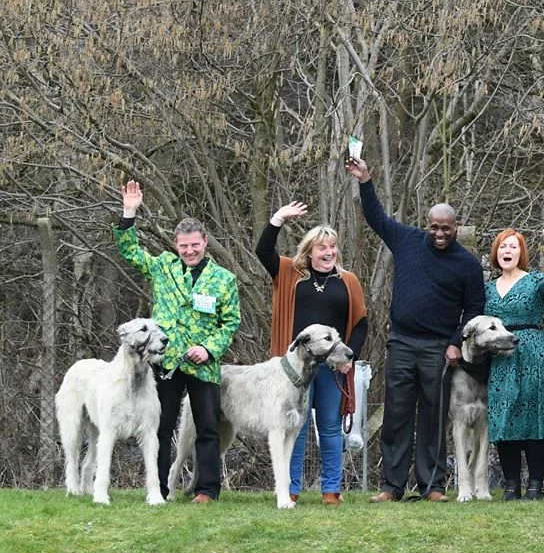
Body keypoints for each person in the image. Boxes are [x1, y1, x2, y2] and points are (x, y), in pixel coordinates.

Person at [345, 155, 485, 502]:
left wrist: (456, 343)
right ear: (427, 224)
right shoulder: (406, 240)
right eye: (434, 227)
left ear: (455, 228)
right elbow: (375, 217)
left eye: (446, 228)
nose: (439, 233)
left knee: (434, 418)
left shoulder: (467, 265)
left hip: (440, 349)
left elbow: (476, 309)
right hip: (402, 343)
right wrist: (365, 180)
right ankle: (392, 487)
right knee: (396, 415)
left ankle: (433, 485)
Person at [115, 181, 242, 503]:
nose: (189, 251)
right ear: (176, 244)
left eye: (195, 245)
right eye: (183, 246)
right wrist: (129, 212)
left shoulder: (224, 280)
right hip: (166, 362)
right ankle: (157, 489)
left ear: (205, 243)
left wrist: (209, 348)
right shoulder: (162, 267)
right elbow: (129, 251)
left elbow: (230, 323)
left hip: (203, 366)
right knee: (160, 426)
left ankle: (207, 489)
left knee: (208, 428)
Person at [258, 203, 369, 504]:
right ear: (309, 252)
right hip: (294, 370)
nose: (329, 252)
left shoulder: (348, 282)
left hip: (333, 368)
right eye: (322, 247)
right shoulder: (290, 274)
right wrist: (279, 218)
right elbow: (264, 250)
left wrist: (350, 359)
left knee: (331, 426)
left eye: (333, 247)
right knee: (295, 427)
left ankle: (331, 490)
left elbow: (360, 324)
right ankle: (290, 489)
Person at [483, 223, 544, 499]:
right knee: (504, 418)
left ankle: (535, 486)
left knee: (534, 418)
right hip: (500, 356)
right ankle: (511, 485)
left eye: (513, 246)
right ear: (496, 253)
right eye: (503, 247)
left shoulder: (534, 281)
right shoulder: (486, 289)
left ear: (521, 253)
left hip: (532, 352)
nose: (507, 251)